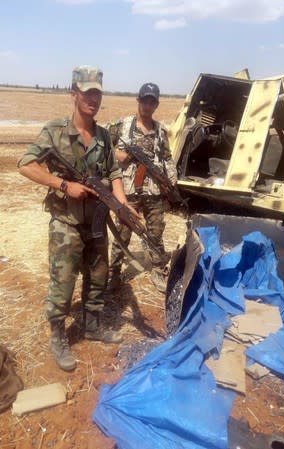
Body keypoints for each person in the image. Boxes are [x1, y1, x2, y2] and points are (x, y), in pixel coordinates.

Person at [18, 66, 134, 372]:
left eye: (97, 93)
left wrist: (123, 205)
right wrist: (63, 185)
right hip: (66, 223)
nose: (92, 99)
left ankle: (92, 324)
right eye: (86, 93)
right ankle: (58, 334)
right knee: (63, 281)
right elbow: (25, 164)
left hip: (96, 220)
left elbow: (114, 173)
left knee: (98, 275)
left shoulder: (104, 136)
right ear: (74, 95)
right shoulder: (55, 131)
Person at [107, 82, 177, 293]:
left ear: (156, 104)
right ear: (138, 100)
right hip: (127, 191)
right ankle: (115, 273)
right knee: (123, 233)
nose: (147, 105)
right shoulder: (120, 126)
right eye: (144, 100)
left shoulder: (160, 131)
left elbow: (167, 158)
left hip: (153, 192)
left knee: (155, 232)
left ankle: (158, 270)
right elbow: (100, 149)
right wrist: (116, 155)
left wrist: (171, 180)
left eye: (152, 102)